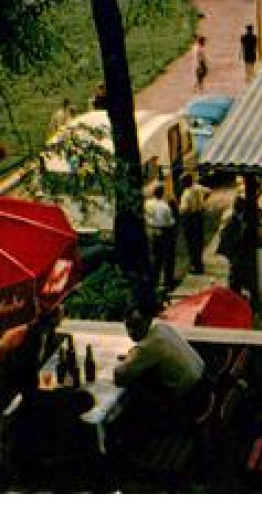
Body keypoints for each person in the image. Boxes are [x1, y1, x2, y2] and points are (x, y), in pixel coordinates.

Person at [111, 307, 208, 442]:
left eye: (136, 326)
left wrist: (133, 359)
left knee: (134, 399)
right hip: (204, 385)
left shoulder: (147, 346)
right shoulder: (162, 327)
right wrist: (134, 358)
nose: (132, 332)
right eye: (128, 327)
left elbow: (119, 376)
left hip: (190, 402)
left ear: (148, 320)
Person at [145, 185, 177, 292]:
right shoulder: (164, 206)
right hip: (164, 231)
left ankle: (155, 280)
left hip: (151, 230)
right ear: (162, 193)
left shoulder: (147, 204)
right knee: (167, 257)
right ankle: (168, 281)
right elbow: (170, 221)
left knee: (155, 257)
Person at [177, 175, 211, 274]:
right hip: (199, 215)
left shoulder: (186, 194)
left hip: (191, 218)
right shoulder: (198, 187)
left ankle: (196, 266)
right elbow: (209, 191)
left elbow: (183, 209)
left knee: (192, 243)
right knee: (199, 241)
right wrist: (203, 201)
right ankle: (199, 264)